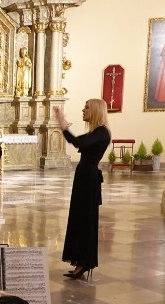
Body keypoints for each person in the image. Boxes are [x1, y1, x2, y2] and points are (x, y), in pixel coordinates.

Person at [53, 99, 111, 280]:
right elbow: (76, 141)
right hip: (83, 178)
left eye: (86, 107)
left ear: (95, 110)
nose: (83, 109)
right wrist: (62, 125)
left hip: (88, 180)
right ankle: (80, 261)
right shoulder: (95, 132)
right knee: (79, 219)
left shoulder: (102, 132)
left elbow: (79, 144)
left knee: (86, 220)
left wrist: (62, 123)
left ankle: (85, 261)